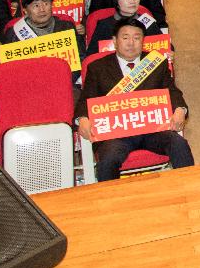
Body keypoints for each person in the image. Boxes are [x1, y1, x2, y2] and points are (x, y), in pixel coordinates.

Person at [75, 18, 193, 182]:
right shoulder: (98, 67)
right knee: (108, 158)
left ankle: (190, 188)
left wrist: (181, 109)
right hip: (116, 134)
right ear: (115, 41)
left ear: (143, 41)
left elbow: (172, 91)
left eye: (137, 38)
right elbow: (85, 99)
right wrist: (82, 119)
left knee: (179, 145)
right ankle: (111, 203)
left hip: (152, 130)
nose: (131, 43)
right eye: (125, 38)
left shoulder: (155, 63)